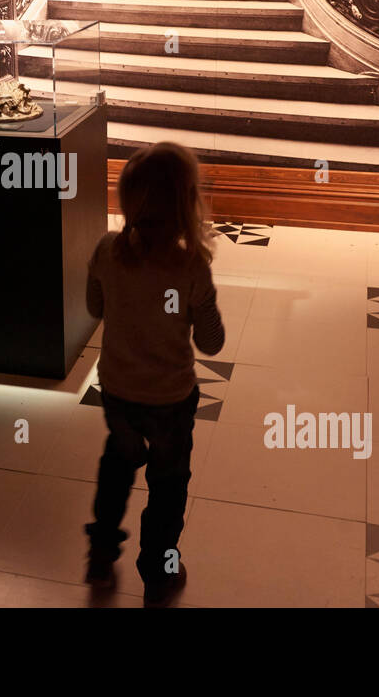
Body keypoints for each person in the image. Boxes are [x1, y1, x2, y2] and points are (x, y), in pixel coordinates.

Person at [84, 142, 225, 606]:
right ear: (187, 204)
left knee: (116, 467)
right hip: (169, 400)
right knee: (168, 488)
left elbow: (93, 307)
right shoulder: (191, 268)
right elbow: (211, 342)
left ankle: (101, 553)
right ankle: (158, 570)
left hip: (119, 392)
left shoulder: (107, 250)